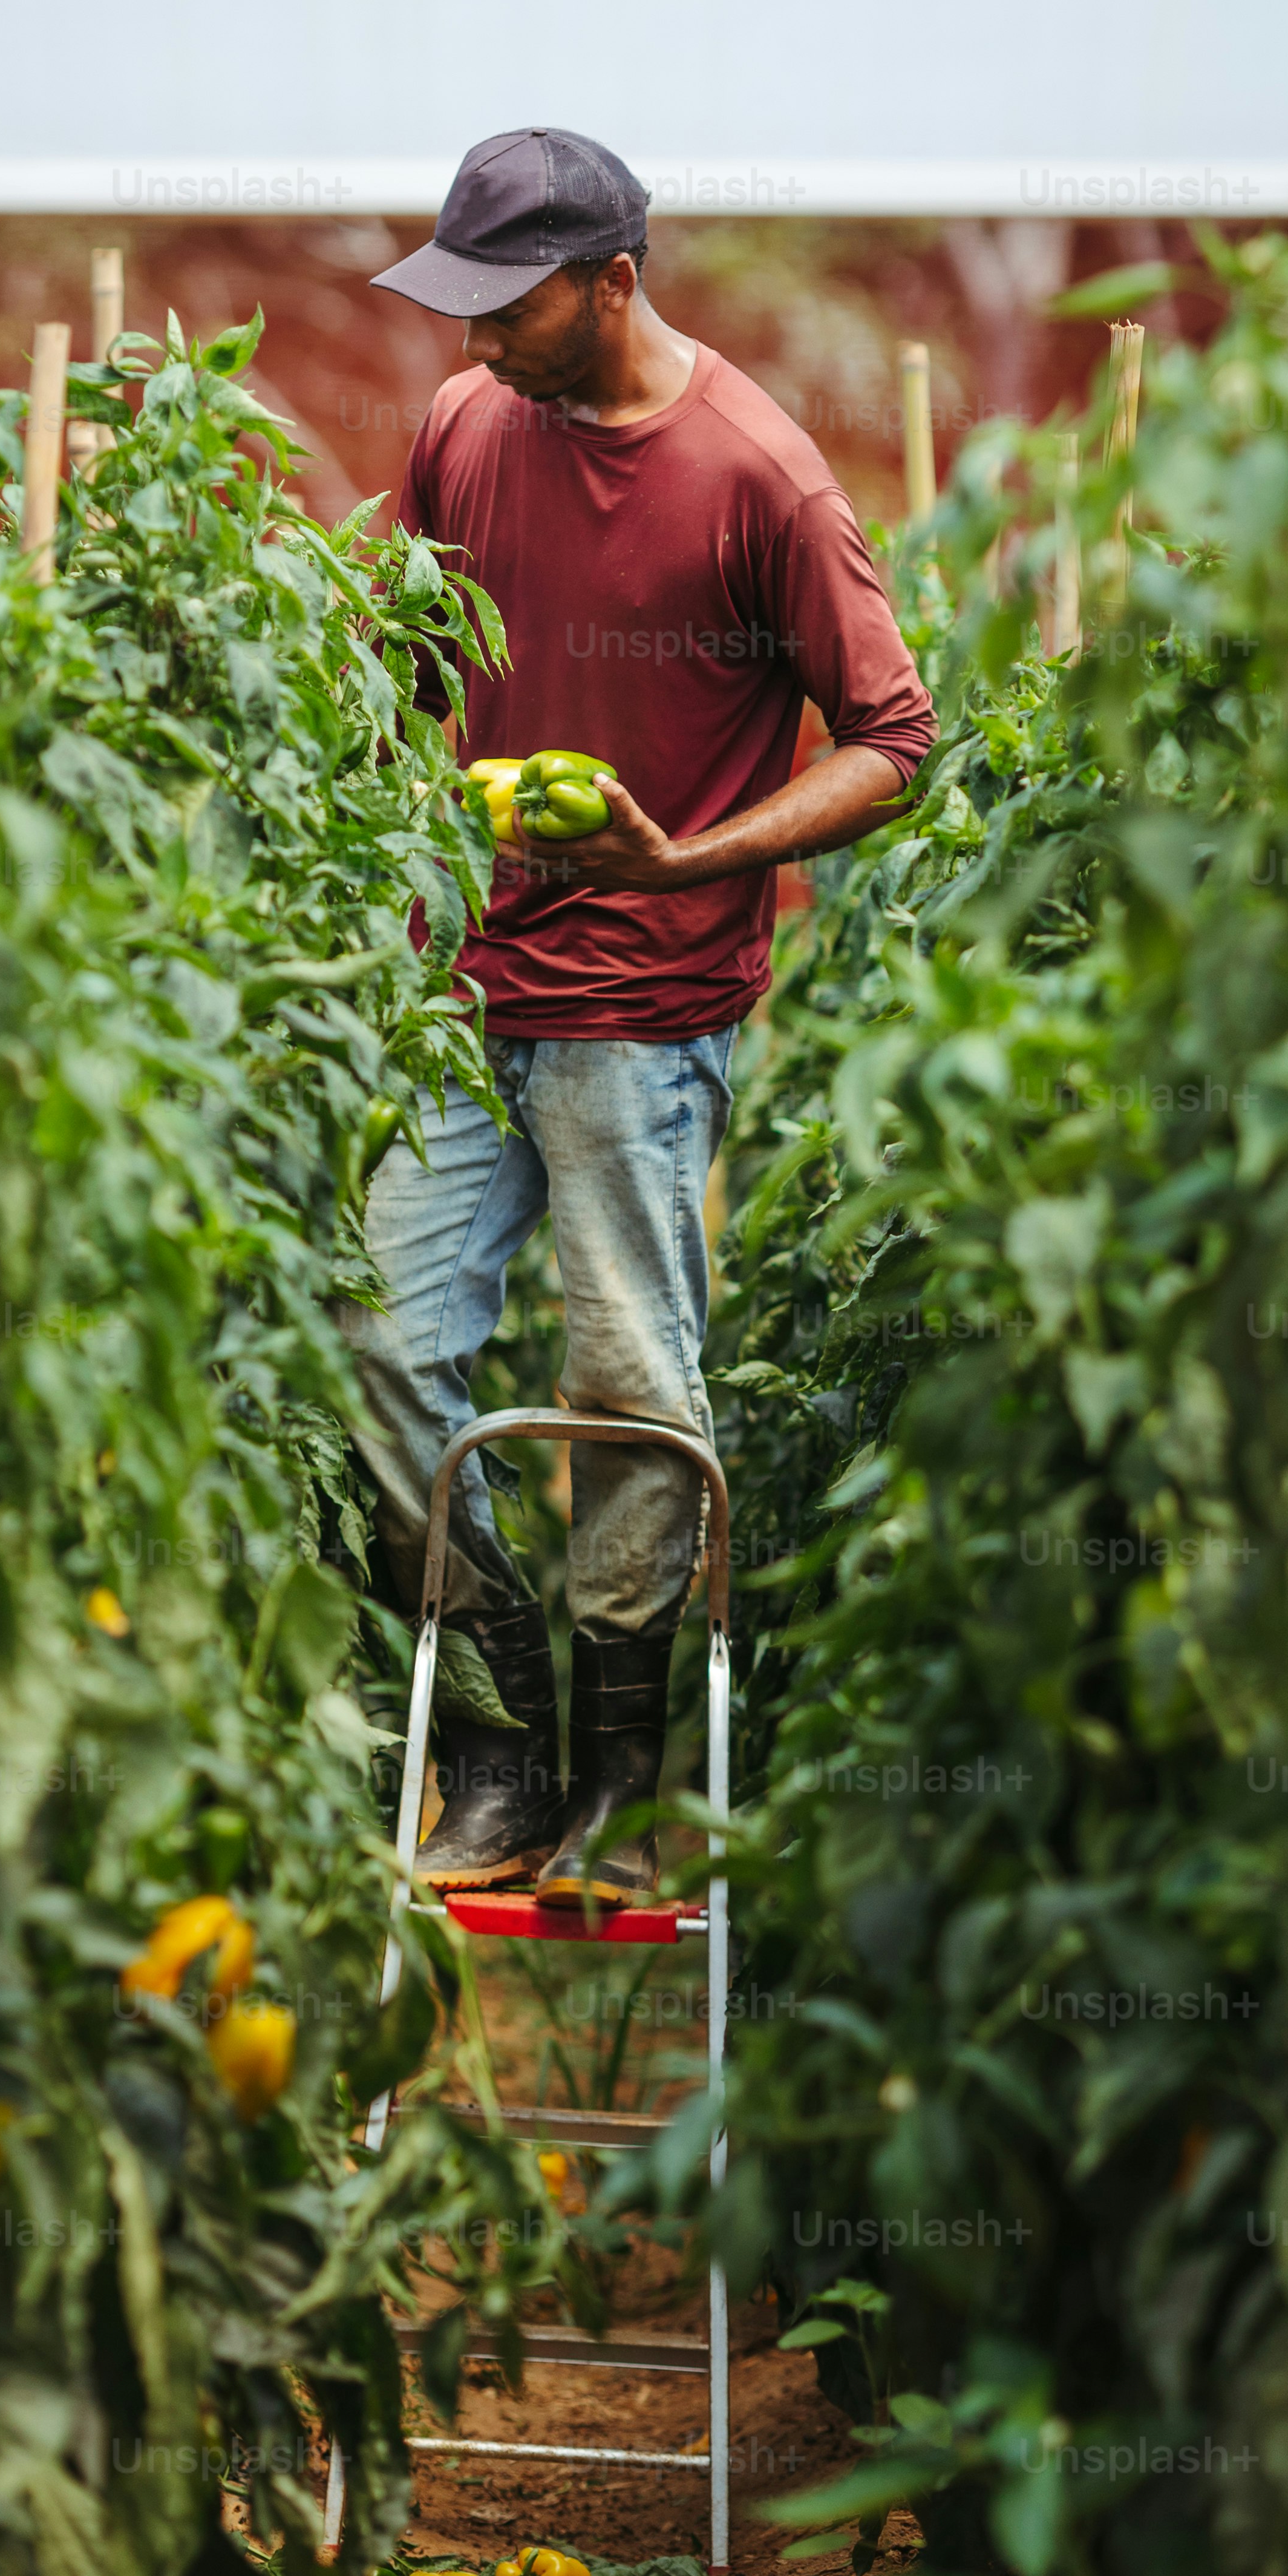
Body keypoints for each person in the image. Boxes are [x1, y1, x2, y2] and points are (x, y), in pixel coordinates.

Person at [345, 125, 937, 1909]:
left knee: (627, 1392)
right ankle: (504, 1740)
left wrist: (688, 862)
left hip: (646, 1018)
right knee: (373, 1351)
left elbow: (893, 745)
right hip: (468, 992)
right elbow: (412, 654)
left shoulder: (759, 476)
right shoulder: (465, 430)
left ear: (614, 280)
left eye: (504, 307)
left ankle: (613, 1768)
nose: (471, 343)